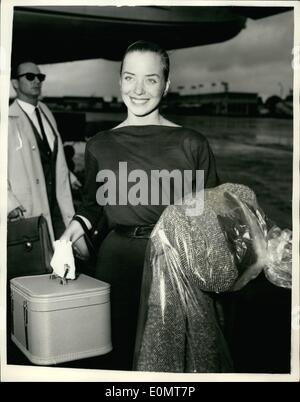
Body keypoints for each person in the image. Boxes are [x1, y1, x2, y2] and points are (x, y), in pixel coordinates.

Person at [60, 40, 220, 370]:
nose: (139, 89)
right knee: (116, 356)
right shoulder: (100, 145)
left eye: (151, 79)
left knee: (173, 360)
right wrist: (66, 239)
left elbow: (209, 215)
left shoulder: (191, 143)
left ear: (166, 84)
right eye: (130, 77)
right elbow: (93, 207)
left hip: (175, 263)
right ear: (119, 81)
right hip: (117, 261)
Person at [8, 61, 75, 240]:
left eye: (40, 77)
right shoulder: (7, 119)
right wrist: (8, 204)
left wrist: (69, 175)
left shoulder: (45, 111)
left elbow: (52, 155)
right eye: (30, 76)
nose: (36, 80)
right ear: (14, 83)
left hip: (55, 205)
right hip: (27, 207)